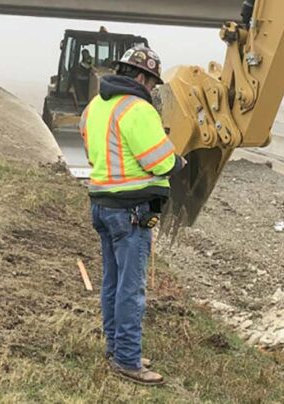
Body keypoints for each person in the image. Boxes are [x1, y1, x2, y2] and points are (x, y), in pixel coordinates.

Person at [79, 45, 183, 386]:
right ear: (141, 77)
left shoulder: (96, 105)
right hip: (131, 211)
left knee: (112, 280)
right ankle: (127, 358)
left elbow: (94, 149)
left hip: (102, 203)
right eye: (152, 82)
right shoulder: (138, 109)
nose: (152, 89)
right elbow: (160, 161)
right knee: (132, 287)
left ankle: (116, 347)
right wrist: (176, 161)